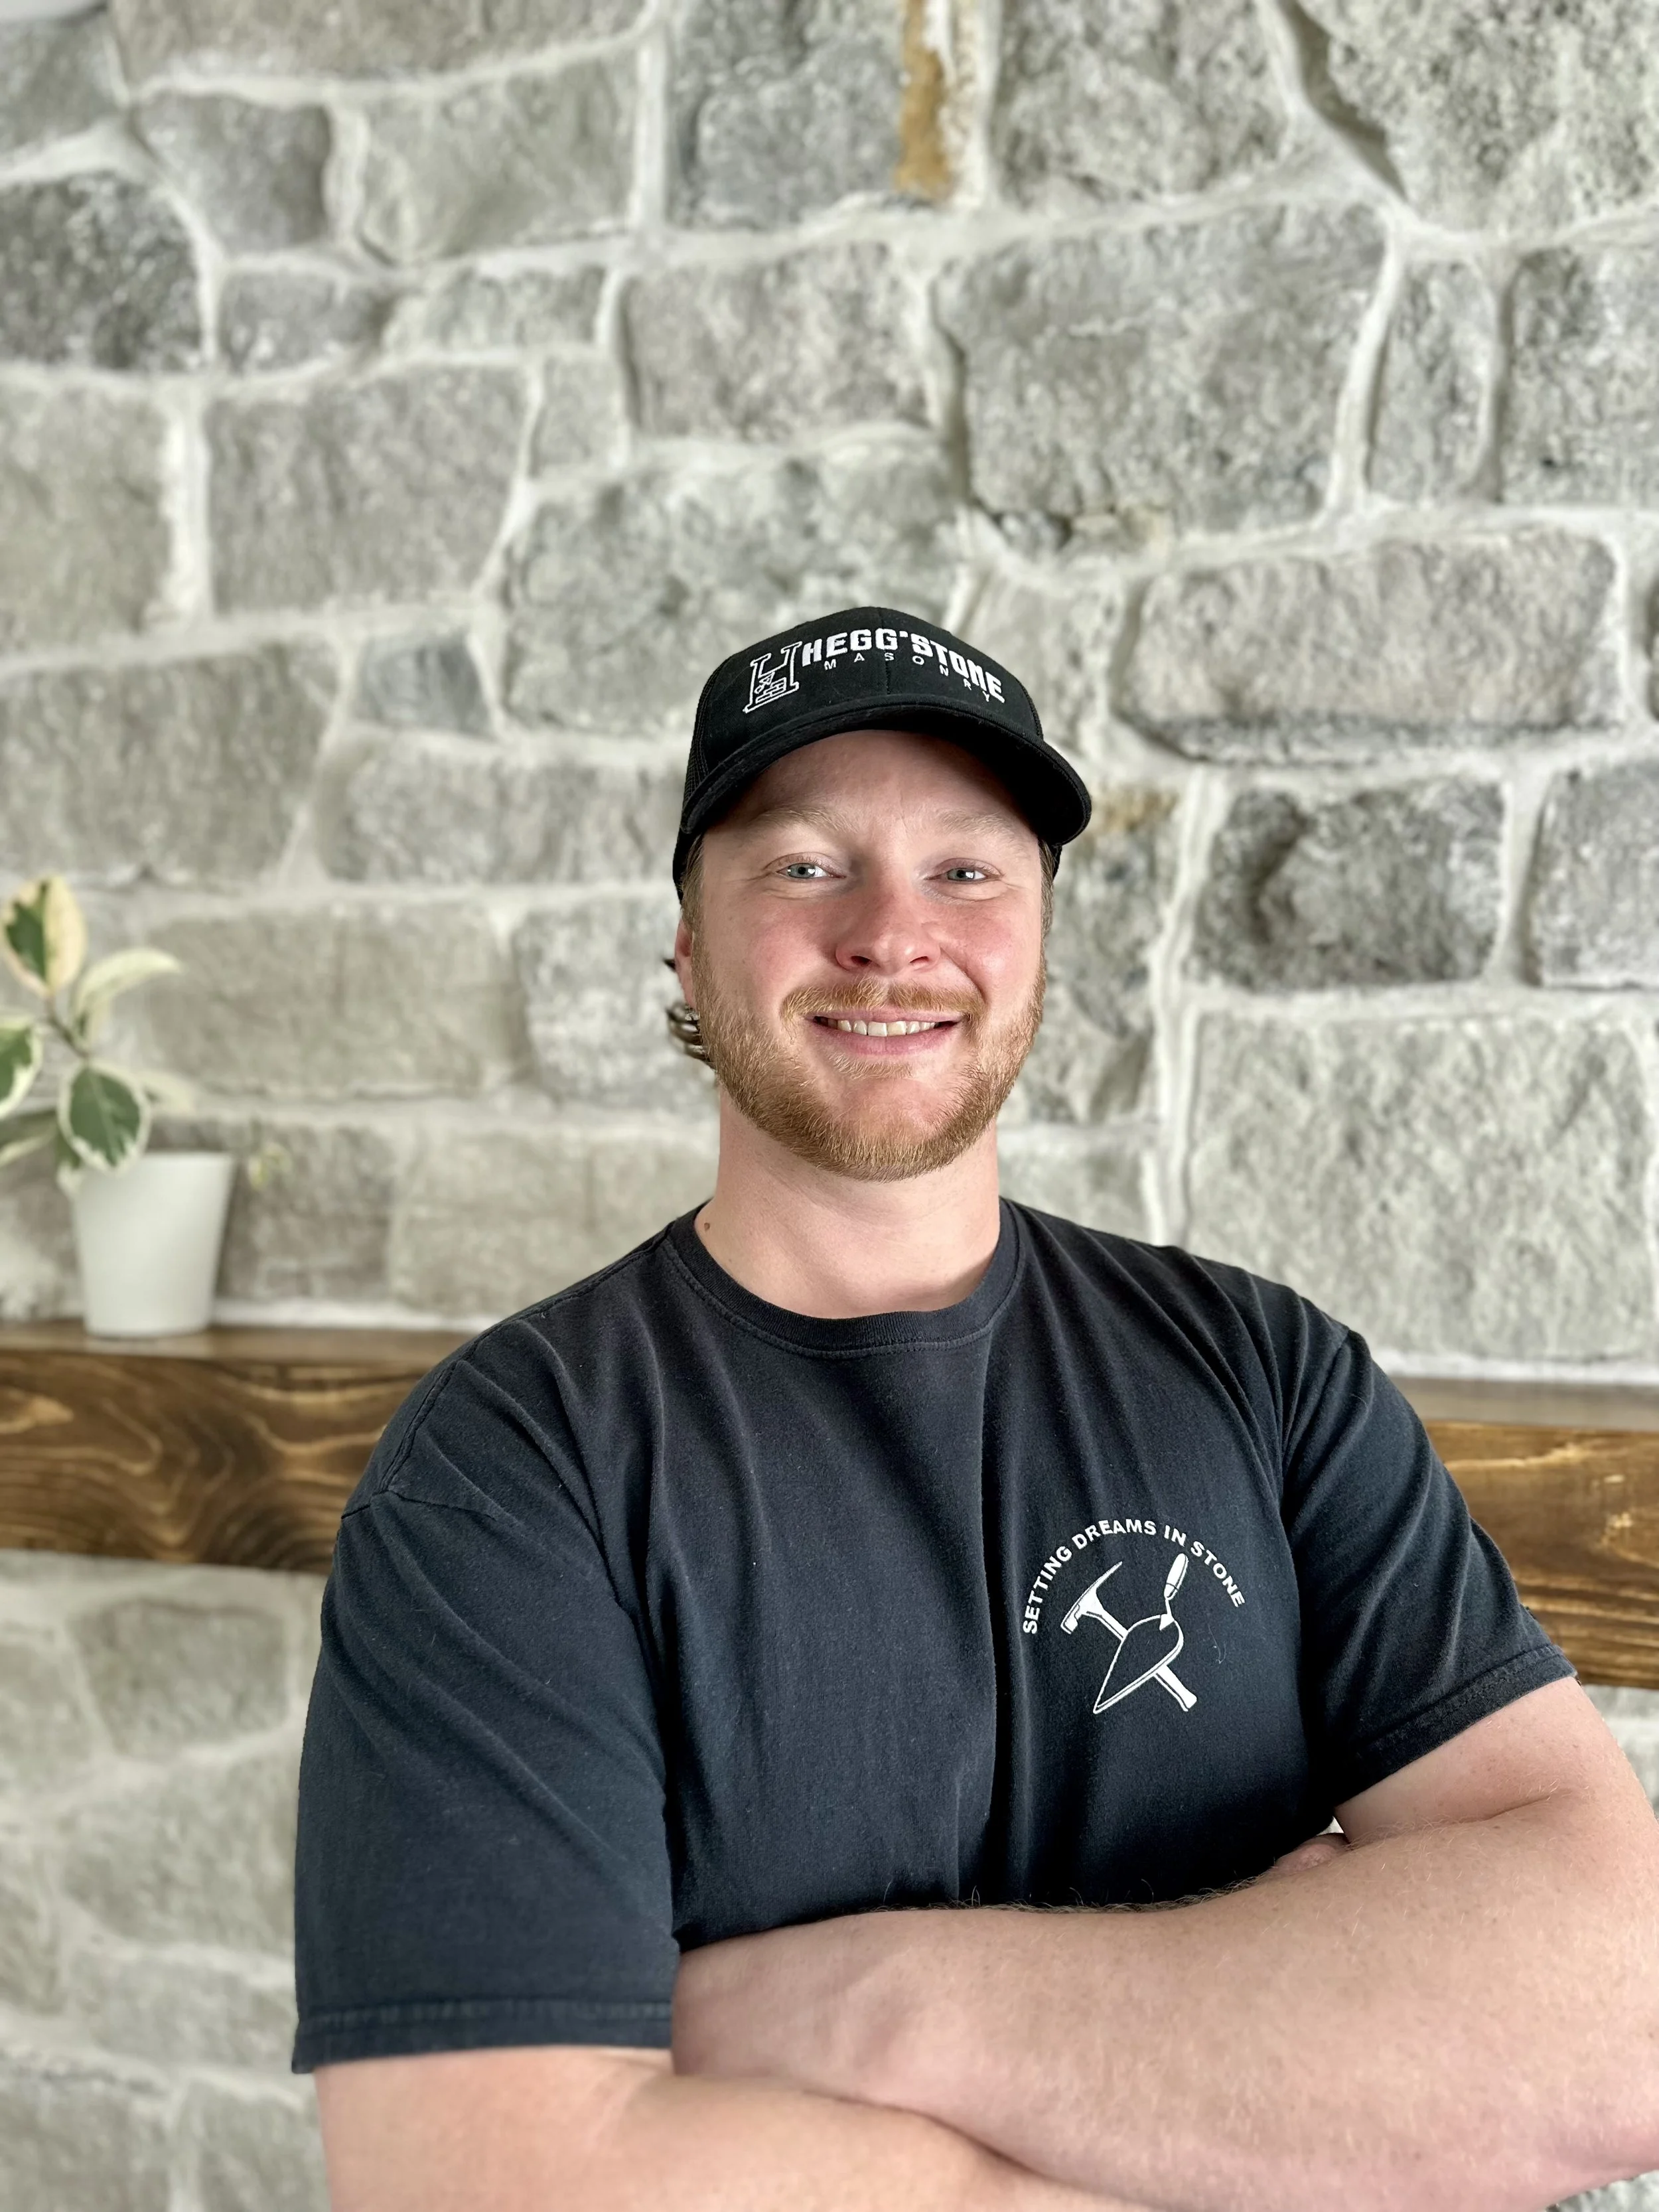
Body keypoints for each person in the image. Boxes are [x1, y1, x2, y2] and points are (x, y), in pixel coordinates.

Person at [295, 607, 1659, 2212]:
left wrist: (844, 2005)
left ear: (1039, 933)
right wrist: (1290, 2091)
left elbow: (1616, 2008)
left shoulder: (1261, 1371)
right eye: (804, 867)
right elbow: (487, 2181)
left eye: (966, 870)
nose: (890, 932)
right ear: (684, 939)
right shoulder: (516, 1466)